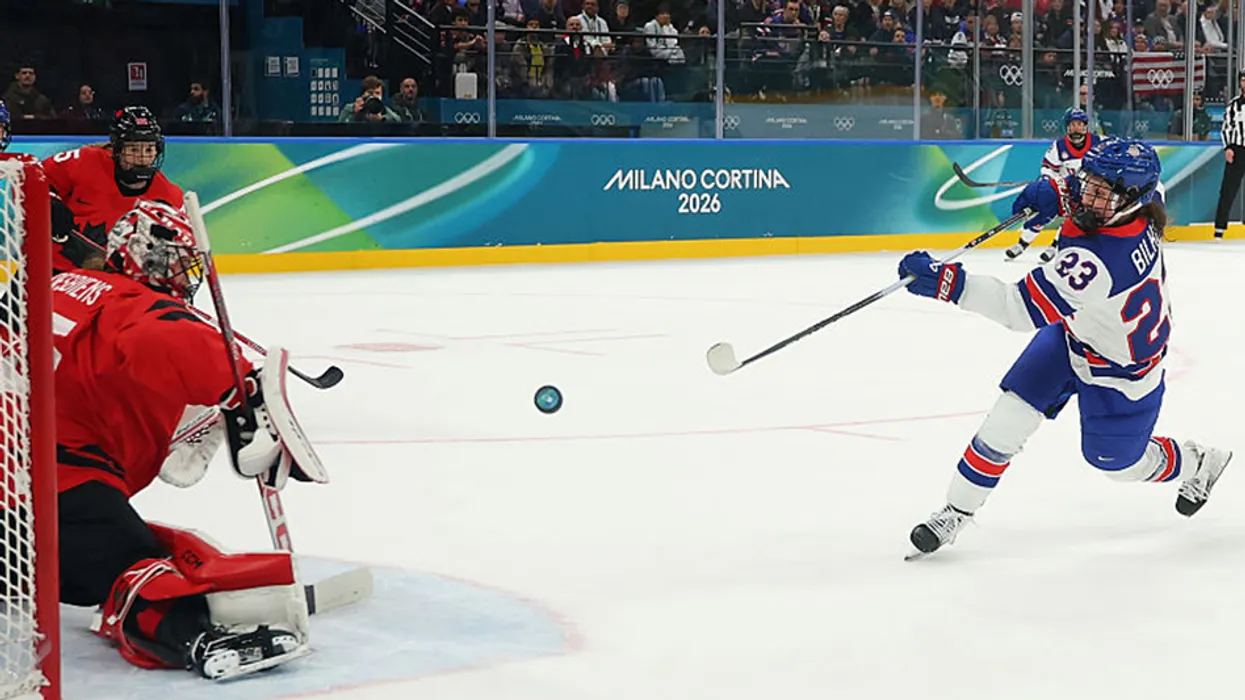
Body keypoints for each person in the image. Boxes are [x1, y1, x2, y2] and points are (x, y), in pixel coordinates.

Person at [896, 137, 1232, 558]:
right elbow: (1092, 189)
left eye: (1099, 192)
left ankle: (1199, 462)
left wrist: (949, 283)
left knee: (1119, 465)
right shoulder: (1144, 202)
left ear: (1131, 199)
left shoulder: (1101, 262)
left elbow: (1017, 309)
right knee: (1005, 420)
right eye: (1088, 184)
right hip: (1072, 334)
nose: (1088, 197)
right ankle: (956, 511)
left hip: (1122, 373)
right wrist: (1060, 190)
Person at [47, 200, 327, 679]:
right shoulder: (133, 304)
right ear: (145, 257)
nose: (183, 275)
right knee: (135, 563)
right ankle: (195, 638)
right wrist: (243, 388)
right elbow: (161, 337)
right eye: (176, 261)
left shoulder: (59, 284)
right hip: (50, 477)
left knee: (89, 548)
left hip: (28, 460)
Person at [41, 105, 185, 273]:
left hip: (107, 283)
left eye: (149, 149)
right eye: (133, 149)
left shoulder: (169, 196)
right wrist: (49, 202)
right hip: (53, 270)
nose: (142, 158)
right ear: (117, 149)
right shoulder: (84, 161)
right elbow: (32, 179)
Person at [1005, 108, 1096, 263]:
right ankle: (1022, 244)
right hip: (1065, 189)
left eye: (1080, 124)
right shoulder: (1060, 146)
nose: (1076, 128)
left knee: (1074, 220)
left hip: (1088, 192)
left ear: (1085, 126)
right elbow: (1047, 168)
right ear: (1067, 127)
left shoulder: (1097, 142)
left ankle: (1055, 246)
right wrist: (1049, 182)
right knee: (1044, 215)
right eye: (1072, 124)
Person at [1214, 75, 1245, 240]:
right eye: (1243, 80)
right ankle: (1219, 227)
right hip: (1238, 150)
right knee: (1228, 189)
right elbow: (1226, 128)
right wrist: (1228, 147)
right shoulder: (1234, 105)